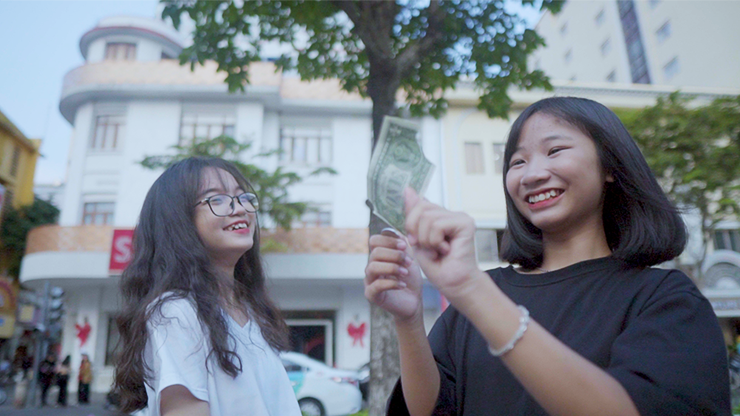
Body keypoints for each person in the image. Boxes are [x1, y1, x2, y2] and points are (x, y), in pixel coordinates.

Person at [365, 97, 731, 415]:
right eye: (517, 162)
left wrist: (472, 290)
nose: (532, 175)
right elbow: (433, 409)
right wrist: (409, 320)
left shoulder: (664, 298)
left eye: (554, 151)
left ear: (610, 166)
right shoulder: (478, 296)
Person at [113, 157, 301, 416]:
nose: (240, 209)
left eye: (242, 197)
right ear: (178, 221)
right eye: (217, 199)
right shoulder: (176, 312)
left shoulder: (252, 311)